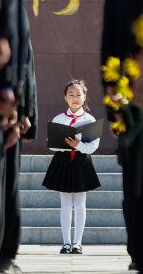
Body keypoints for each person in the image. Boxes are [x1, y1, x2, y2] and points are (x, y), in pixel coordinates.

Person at [42, 79, 101, 254]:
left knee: (80, 203)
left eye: (78, 94)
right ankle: (66, 243)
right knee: (65, 204)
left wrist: (78, 145)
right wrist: (62, 143)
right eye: (71, 95)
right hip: (63, 162)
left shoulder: (89, 120)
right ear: (65, 97)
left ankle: (77, 243)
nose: (75, 98)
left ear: (85, 97)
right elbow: (52, 146)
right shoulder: (59, 119)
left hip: (82, 161)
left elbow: (93, 147)